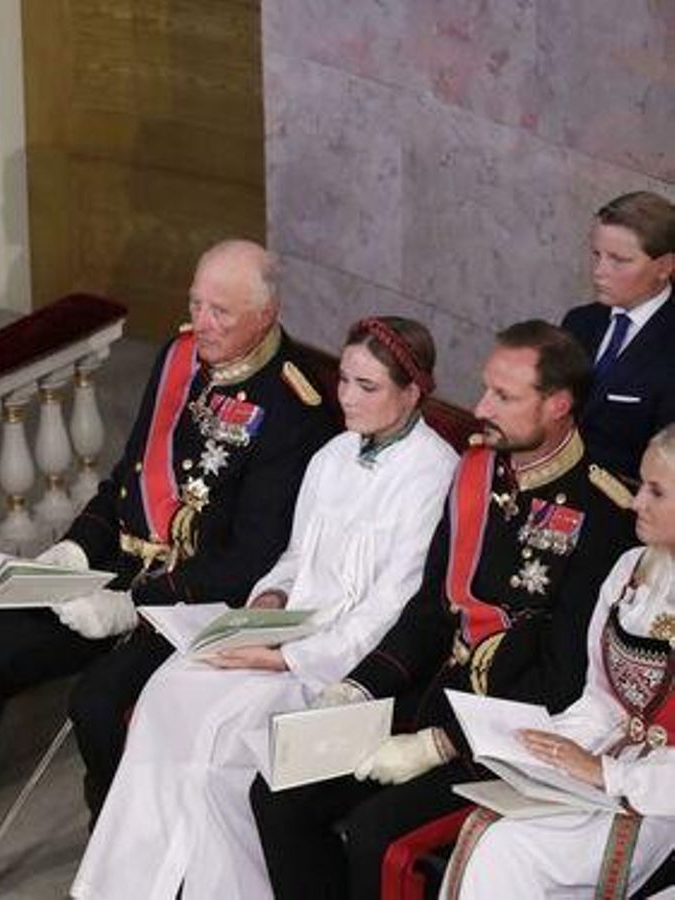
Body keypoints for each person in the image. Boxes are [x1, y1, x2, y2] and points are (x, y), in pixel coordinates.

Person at [0, 239, 337, 890]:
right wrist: (75, 548)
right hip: (117, 573)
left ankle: (123, 861)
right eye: (195, 303)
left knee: (97, 704)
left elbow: (251, 562)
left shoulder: (295, 410)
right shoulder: (180, 358)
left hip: (191, 608)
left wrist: (134, 605)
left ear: (267, 315)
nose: (202, 323)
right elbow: (124, 481)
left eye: (221, 313)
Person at [71, 317, 459, 899]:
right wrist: (269, 601)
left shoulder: (435, 473)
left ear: (412, 392)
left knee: (219, 746)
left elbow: (394, 605)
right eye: (345, 380)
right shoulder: (332, 454)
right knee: (164, 695)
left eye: (367, 387)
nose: (346, 398)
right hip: (282, 630)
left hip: (332, 667)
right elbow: (295, 555)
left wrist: (287, 659)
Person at [251, 320, 639, 900]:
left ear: (558, 404)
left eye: (504, 397)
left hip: (500, 736)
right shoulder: (478, 471)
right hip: (427, 694)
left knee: (375, 832)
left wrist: (440, 743)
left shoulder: (602, 516)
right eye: (485, 387)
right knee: (277, 793)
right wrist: (360, 687)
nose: (480, 407)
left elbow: (562, 681)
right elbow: (432, 609)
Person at [439, 423, 675, 899]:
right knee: (487, 828)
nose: (635, 502)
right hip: (607, 766)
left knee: (508, 848)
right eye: (641, 485)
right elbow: (600, 697)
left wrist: (607, 773)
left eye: (657, 492)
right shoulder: (631, 569)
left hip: (659, 799)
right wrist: (548, 748)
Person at [561, 190, 675, 483]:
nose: (599, 272)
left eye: (619, 260)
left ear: (665, 267)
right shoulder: (578, 323)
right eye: (596, 255)